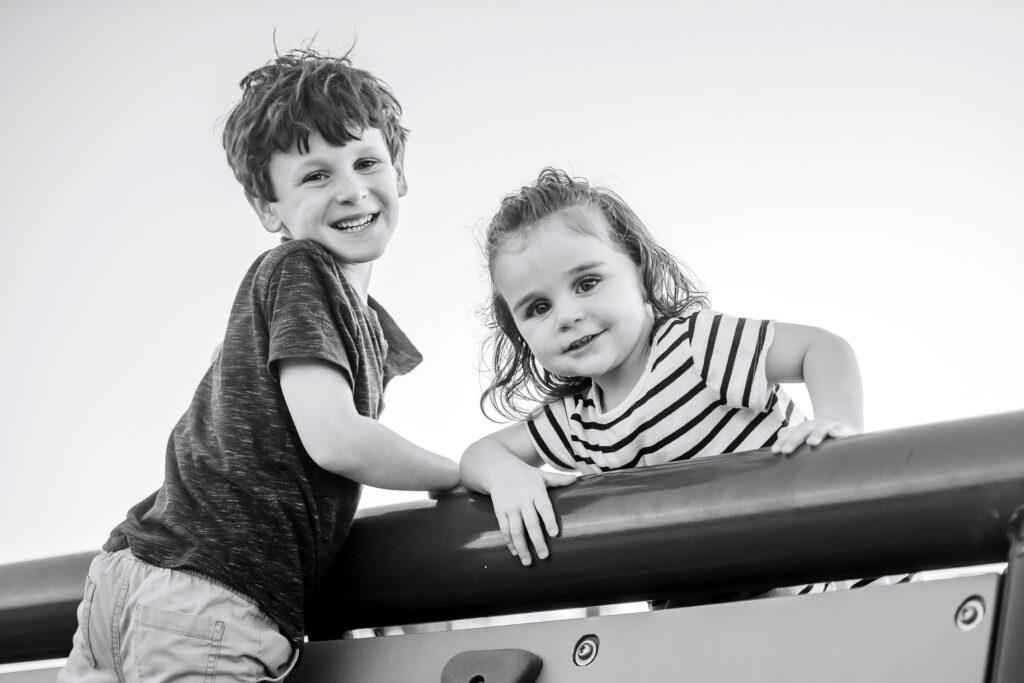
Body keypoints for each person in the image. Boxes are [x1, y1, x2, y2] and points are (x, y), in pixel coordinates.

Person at [59, 49, 460, 682]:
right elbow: (335, 439)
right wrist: (459, 475)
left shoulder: (327, 305)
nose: (351, 190)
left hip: (138, 573)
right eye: (315, 176)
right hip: (209, 598)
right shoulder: (301, 269)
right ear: (268, 210)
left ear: (399, 172)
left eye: (365, 162)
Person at [460, 168, 863, 567]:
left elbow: (822, 349)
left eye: (586, 283)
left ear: (637, 267)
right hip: (730, 610)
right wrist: (506, 477)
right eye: (539, 308)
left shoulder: (694, 347)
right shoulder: (578, 423)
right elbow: (479, 455)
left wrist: (835, 422)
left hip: (838, 578)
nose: (567, 316)